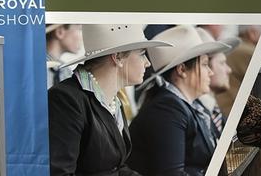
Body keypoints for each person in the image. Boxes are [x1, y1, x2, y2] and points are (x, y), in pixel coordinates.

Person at [48, 24, 171, 176]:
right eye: (141, 54)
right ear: (117, 57)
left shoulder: (113, 101)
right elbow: (60, 173)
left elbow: (117, 168)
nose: (147, 63)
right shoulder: (66, 99)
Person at [128, 25, 230, 176]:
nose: (210, 72)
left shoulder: (188, 105)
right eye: (204, 65)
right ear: (182, 70)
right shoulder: (167, 110)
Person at [46, 24, 83, 88]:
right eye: (80, 29)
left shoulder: (66, 72)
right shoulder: (33, 68)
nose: (83, 37)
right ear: (60, 32)